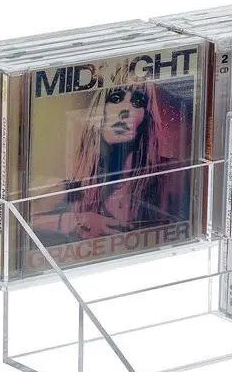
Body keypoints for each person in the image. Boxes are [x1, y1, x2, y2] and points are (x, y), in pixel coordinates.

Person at [31, 68, 183, 245]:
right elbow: (20, 222)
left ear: (146, 118)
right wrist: (76, 221)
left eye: (137, 102)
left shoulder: (171, 176)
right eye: (116, 98)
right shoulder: (74, 186)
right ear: (100, 111)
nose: (125, 110)